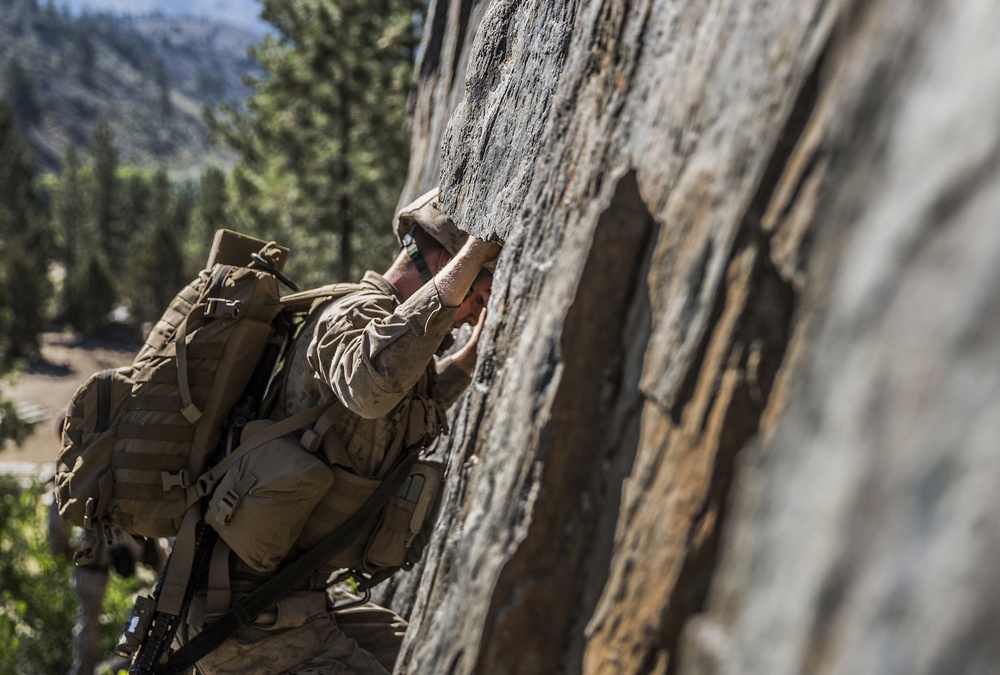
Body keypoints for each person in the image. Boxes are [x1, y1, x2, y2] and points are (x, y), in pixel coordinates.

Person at [179, 187, 501, 674]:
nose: (476, 311)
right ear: (441, 261)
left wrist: (474, 351)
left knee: (433, 658)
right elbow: (371, 386)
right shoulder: (349, 313)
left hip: (295, 597)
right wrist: (478, 247)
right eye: (476, 294)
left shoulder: (395, 337)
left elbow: (413, 405)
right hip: (241, 616)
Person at [48, 413, 168, 675]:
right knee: (167, 594)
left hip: (94, 550)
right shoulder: (120, 453)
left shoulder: (67, 471)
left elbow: (56, 525)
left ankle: (86, 670)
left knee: (89, 618)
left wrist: (64, 550)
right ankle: (154, 651)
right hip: (138, 541)